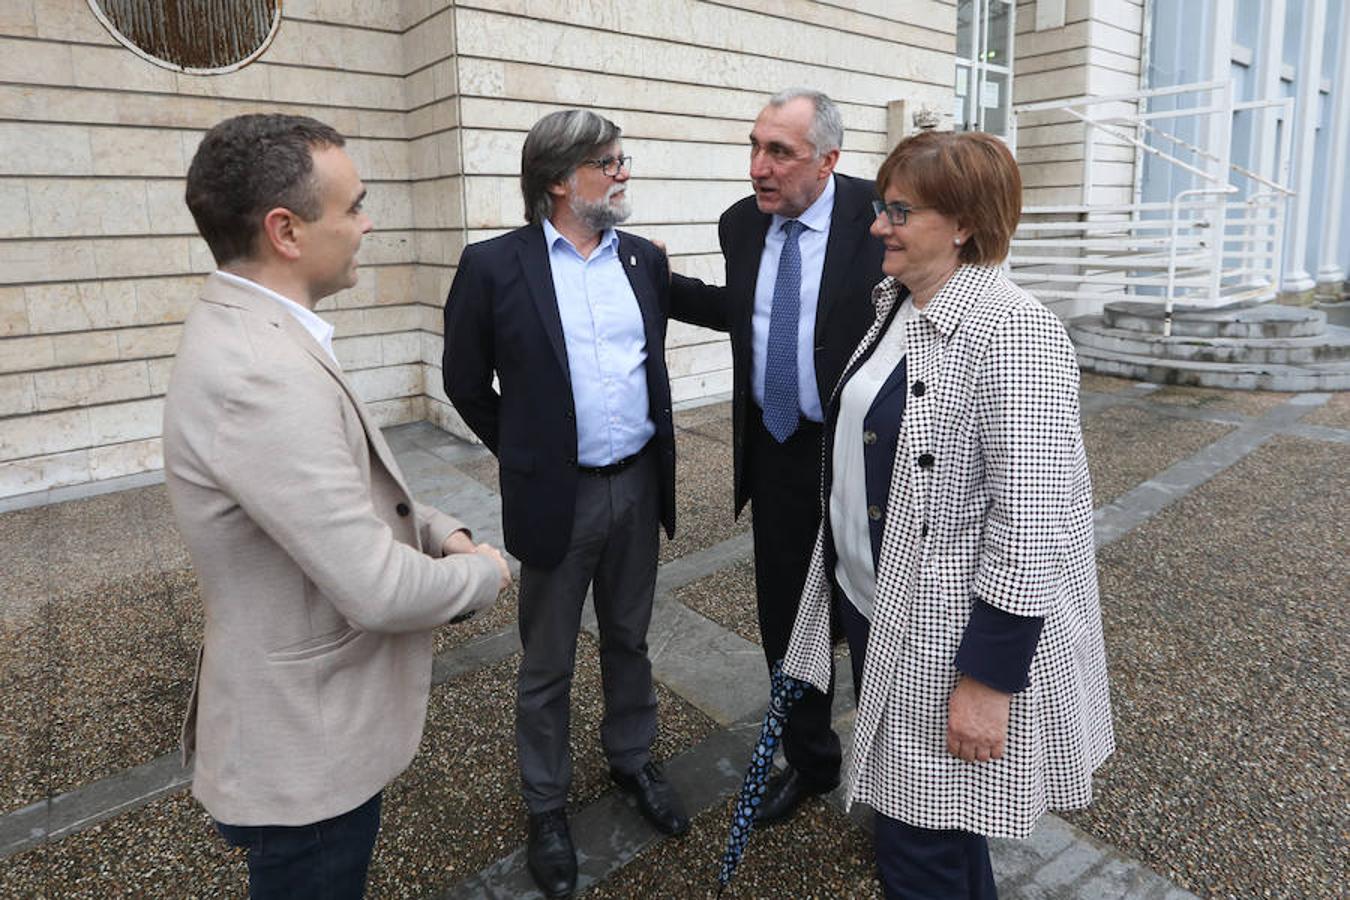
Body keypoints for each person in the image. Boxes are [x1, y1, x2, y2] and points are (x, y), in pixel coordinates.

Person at [163, 114, 511, 900]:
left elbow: (338, 490)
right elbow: (380, 590)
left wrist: (438, 528)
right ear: (285, 230)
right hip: (304, 752)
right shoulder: (262, 372)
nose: (367, 223)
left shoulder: (262, 331)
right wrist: (483, 574)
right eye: (353, 206)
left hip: (300, 727)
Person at [781, 130, 1115, 898]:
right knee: (942, 831)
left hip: (946, 642)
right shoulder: (898, 301)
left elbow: (1030, 525)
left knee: (916, 850)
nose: (876, 226)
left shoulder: (1013, 331)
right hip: (879, 609)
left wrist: (987, 683)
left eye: (899, 210)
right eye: (879, 206)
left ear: (963, 223)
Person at [441, 109, 689, 899]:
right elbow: (462, 379)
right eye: (608, 163)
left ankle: (633, 762)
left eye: (622, 160)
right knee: (546, 664)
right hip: (559, 497)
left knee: (630, 639)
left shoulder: (643, 262)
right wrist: (527, 450)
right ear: (558, 179)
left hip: (637, 482)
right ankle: (546, 808)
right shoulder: (492, 266)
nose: (623, 173)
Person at [668, 88, 884, 824]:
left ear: (828, 160)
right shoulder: (742, 223)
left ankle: (901, 784)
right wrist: (650, 278)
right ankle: (812, 760)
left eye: (779, 153)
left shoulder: (884, 212)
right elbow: (749, 309)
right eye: (755, 146)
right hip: (782, 448)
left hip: (867, 453)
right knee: (789, 619)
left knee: (883, 617)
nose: (759, 167)